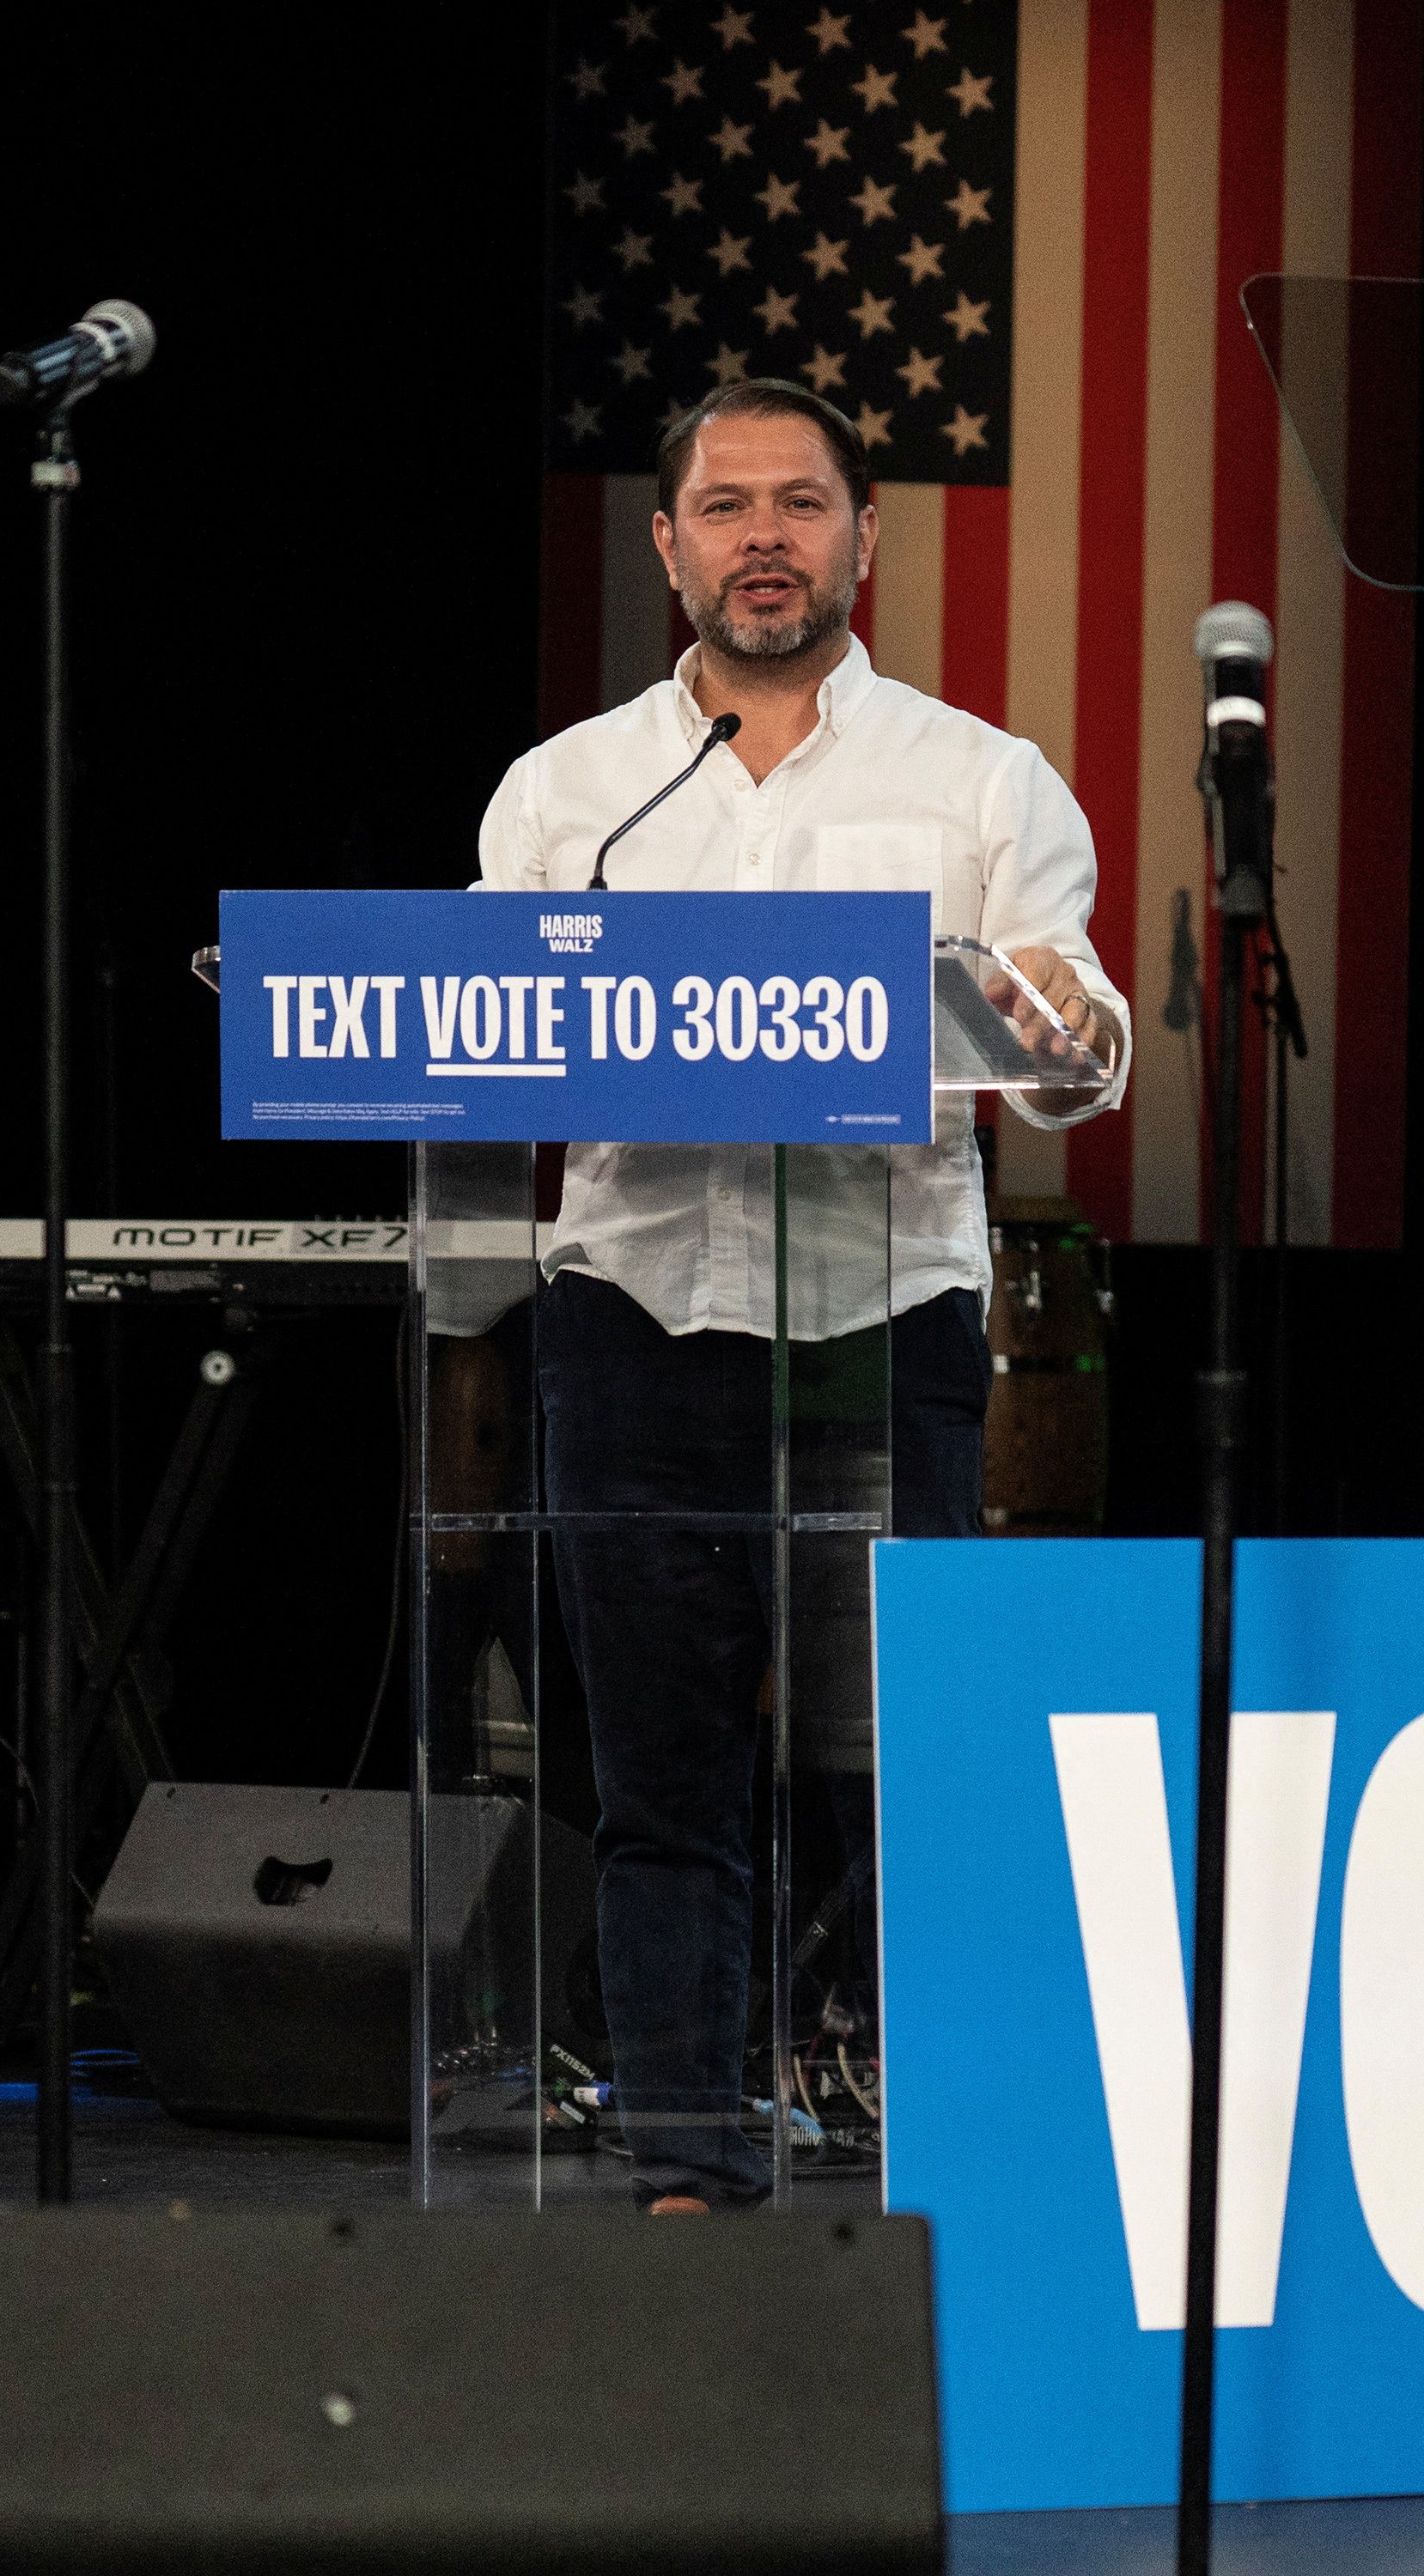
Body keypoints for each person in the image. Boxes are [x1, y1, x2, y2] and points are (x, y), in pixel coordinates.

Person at [474, 379, 1129, 2212]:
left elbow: (1064, 1036)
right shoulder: (568, 793)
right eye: (728, 504)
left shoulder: (982, 780)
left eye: (804, 501)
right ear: (667, 543)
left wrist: (1078, 1030)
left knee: (912, 1763)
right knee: (666, 1772)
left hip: (881, 1321)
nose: (766, 534)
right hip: (633, 1315)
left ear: (865, 538)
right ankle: (692, 2161)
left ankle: (943, 2154)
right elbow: (486, 1046)